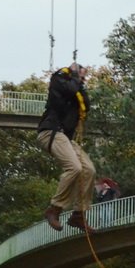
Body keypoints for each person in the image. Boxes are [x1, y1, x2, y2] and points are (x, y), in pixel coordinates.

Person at [37, 62, 96, 232]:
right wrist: (75, 75)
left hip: (65, 138)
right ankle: (54, 209)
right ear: (73, 73)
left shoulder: (76, 89)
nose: (82, 80)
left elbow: (86, 104)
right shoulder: (58, 80)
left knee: (89, 170)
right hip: (51, 131)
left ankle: (78, 215)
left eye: (84, 78)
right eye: (80, 76)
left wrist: (80, 82)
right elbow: (69, 89)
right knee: (75, 168)